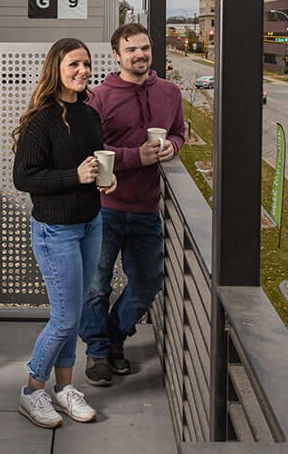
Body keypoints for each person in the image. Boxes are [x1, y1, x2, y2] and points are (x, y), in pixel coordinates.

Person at [12, 37, 117, 428]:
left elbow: (92, 163)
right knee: (64, 317)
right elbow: (24, 178)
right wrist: (74, 176)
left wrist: (105, 180)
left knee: (72, 316)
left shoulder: (89, 114)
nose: (82, 71)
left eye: (87, 64)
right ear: (56, 67)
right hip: (56, 230)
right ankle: (31, 390)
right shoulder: (42, 120)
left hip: (92, 223)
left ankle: (64, 389)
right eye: (74, 64)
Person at [80, 23, 185, 386]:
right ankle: (98, 352)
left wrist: (173, 145)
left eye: (144, 48)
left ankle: (112, 337)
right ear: (116, 55)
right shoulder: (99, 97)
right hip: (104, 207)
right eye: (131, 50)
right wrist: (134, 157)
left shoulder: (170, 93)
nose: (139, 55)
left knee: (147, 282)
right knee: (97, 285)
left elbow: (180, 132)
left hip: (146, 207)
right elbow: (89, 150)